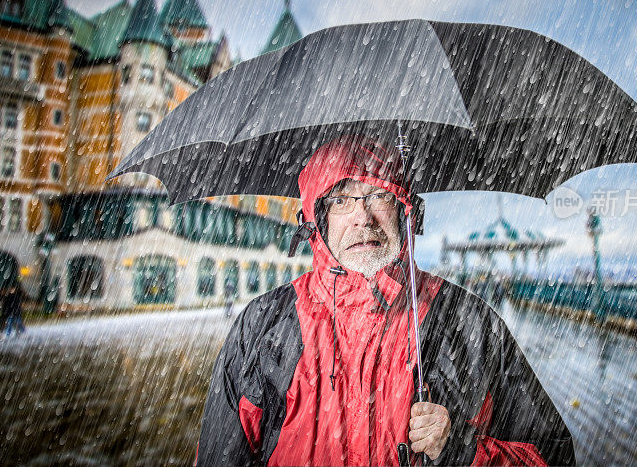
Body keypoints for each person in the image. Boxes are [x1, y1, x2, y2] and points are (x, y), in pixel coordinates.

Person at [197, 136, 575, 466]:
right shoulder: (263, 326)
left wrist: (460, 451)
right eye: (341, 199)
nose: (363, 217)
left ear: (406, 211)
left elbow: (551, 455)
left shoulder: (469, 322)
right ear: (317, 219)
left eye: (379, 195)